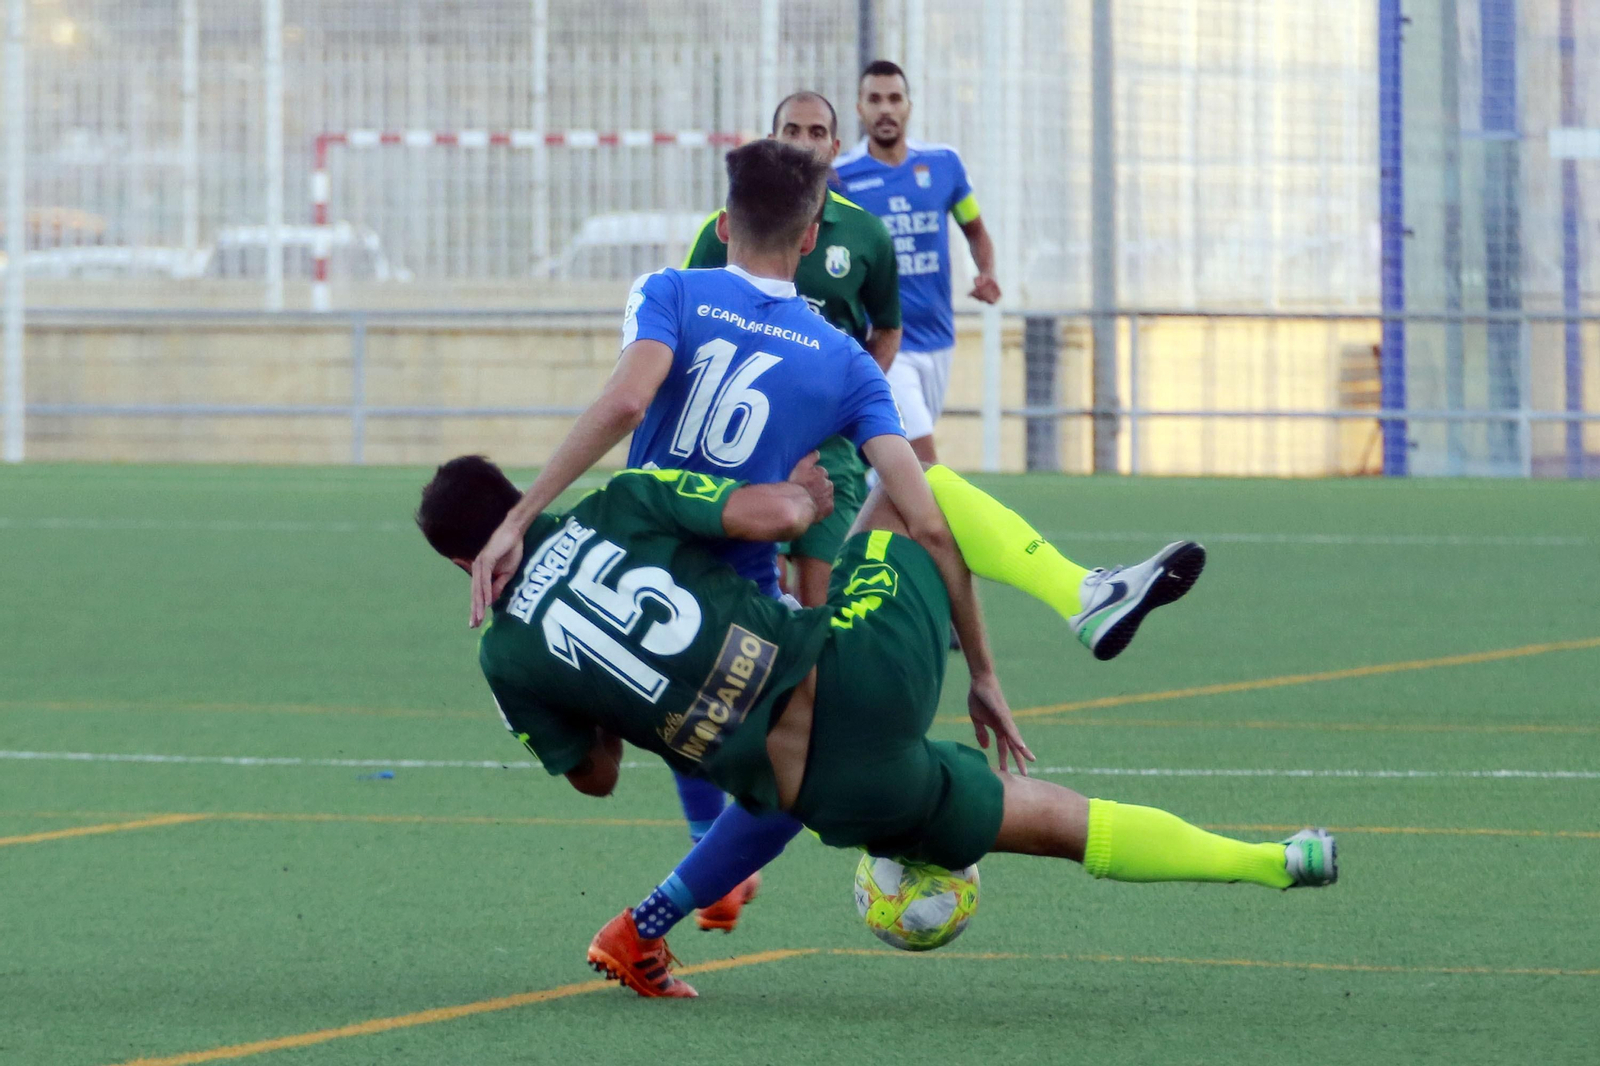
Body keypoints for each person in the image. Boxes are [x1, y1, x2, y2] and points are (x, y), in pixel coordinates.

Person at [466, 137, 1203, 974]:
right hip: (747, 600)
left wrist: (523, 512)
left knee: (754, 758)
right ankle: (1079, 592)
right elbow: (928, 519)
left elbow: (630, 400)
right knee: (821, 719)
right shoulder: (841, 357)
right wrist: (983, 671)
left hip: (651, 573)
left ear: (723, 222)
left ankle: (665, 906)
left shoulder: (668, 289)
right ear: (813, 235)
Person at [416, 455, 1335, 1000]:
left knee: (1057, 822)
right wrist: (805, 498)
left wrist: (599, 707)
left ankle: (1279, 860)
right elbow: (779, 513)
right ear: (518, 496)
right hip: (856, 672)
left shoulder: (506, 662)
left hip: (836, 795)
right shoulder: (619, 502)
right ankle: (1083, 596)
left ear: (462, 561)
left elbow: (598, 777)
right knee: (915, 486)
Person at [684, 90, 902, 609]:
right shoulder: (726, 229)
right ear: (772, 140)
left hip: (829, 443)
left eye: (817, 132)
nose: (804, 143)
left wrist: (850, 401)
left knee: (824, 597)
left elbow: (887, 328)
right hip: (747, 431)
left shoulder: (867, 235)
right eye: (792, 131)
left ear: (836, 146)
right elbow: (692, 322)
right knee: (761, 590)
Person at [835, 59, 1001, 464]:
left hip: (939, 338)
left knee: (891, 470)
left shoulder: (944, 165)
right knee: (922, 461)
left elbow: (975, 230)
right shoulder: (842, 178)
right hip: (884, 342)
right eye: (875, 100)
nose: (885, 109)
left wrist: (986, 272)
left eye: (894, 99)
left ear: (909, 106)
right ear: (859, 108)